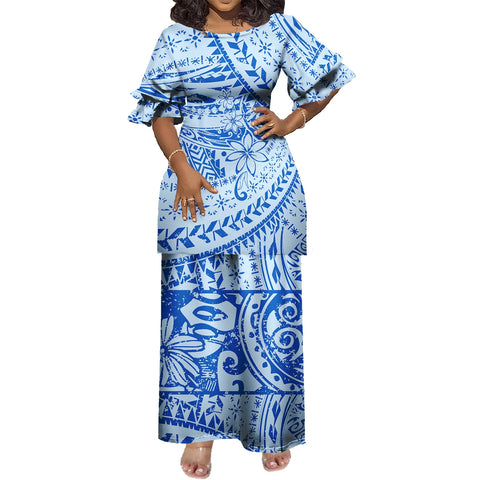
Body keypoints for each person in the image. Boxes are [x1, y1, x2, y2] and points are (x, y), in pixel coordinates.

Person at [128, 0, 355, 477]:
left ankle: (272, 426)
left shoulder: (278, 29)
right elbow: (159, 110)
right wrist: (182, 169)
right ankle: (198, 433)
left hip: (266, 185)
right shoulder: (175, 37)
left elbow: (328, 75)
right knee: (193, 308)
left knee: (268, 306)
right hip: (195, 185)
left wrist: (293, 120)